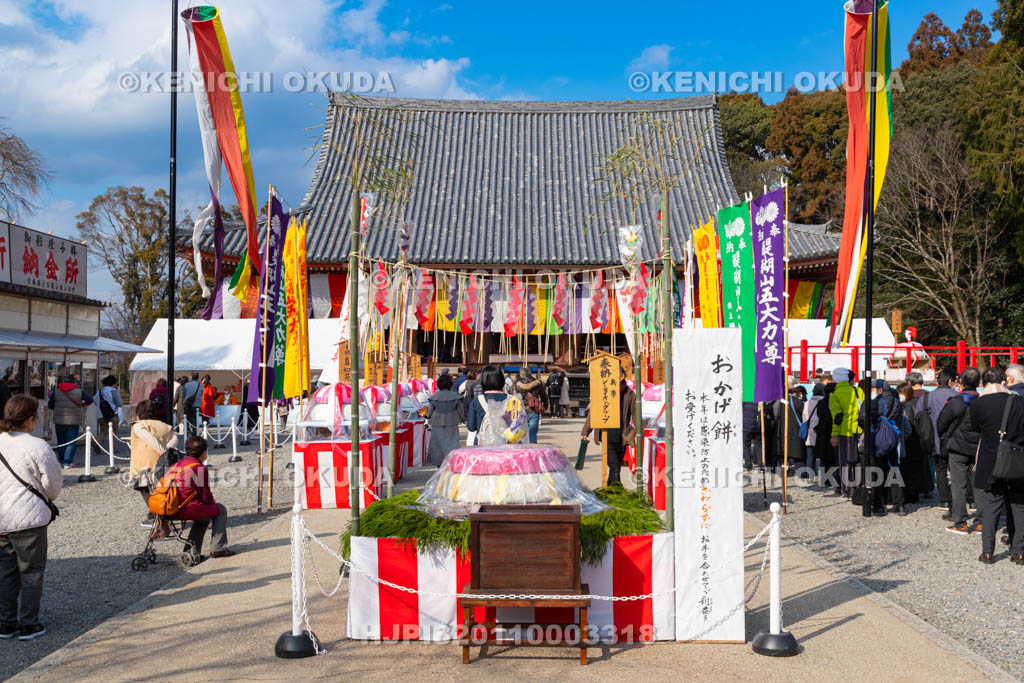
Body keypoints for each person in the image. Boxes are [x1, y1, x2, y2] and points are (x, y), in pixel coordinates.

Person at [0, 395, 61, 641]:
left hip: (1, 518)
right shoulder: (37, 446)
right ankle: (28, 623)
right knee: (31, 572)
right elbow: (53, 485)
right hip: (29, 518)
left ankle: (5, 623)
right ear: (32, 419)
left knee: (5, 572)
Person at [967, 367, 1024, 564]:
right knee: (1019, 506)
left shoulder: (978, 404)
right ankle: (1019, 552)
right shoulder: (1019, 402)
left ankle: (988, 552)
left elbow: (975, 428)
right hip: (1016, 459)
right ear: (1004, 381)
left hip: (990, 460)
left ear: (984, 383)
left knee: (992, 506)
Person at [165, 436, 235, 559]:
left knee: (203, 518)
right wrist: (212, 504)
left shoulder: (177, 464)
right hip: (186, 509)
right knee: (220, 509)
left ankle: (192, 552)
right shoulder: (199, 468)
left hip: (170, 507)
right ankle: (218, 548)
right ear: (203, 453)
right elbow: (206, 497)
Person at [938, 368, 982, 534]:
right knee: (979, 485)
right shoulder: (982, 401)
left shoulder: (955, 402)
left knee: (958, 485)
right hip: (978, 447)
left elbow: (941, 424)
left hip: (958, 447)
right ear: (979, 383)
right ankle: (981, 522)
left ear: (961, 382)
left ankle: (960, 522)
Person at [581, 367, 636, 487]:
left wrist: (639, 431)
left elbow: (635, 414)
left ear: (621, 377)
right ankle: (616, 486)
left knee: (616, 465)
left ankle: (612, 487)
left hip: (622, 435)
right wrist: (586, 431)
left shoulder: (630, 394)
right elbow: (593, 414)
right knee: (614, 464)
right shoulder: (603, 392)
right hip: (606, 434)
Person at [859, 379, 906, 515]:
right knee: (894, 468)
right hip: (892, 439)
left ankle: (878, 504)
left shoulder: (873, 402)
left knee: (875, 471)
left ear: (879, 389)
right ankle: (899, 504)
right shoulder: (897, 402)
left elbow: (862, 419)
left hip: (877, 439)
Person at [915, 368, 959, 512]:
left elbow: (918, 419)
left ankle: (945, 500)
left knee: (940, 471)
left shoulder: (926, 398)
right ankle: (963, 500)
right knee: (957, 472)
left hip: (934, 441)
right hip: (955, 442)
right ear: (950, 381)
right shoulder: (957, 397)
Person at [130, 399, 179, 528]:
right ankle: (158, 514)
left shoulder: (138, 424)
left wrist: (161, 450)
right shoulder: (164, 425)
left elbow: (147, 437)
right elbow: (175, 438)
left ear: (139, 413)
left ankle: (155, 516)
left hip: (145, 463)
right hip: (163, 463)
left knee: (144, 488)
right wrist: (168, 450)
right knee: (160, 488)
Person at [466, 367, 526, 446]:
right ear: (501, 380)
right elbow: (519, 426)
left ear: (483, 381)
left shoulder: (477, 401)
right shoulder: (512, 400)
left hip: (483, 446)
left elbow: (471, 427)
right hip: (507, 446)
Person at [829, 368, 863, 497]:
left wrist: (834, 435)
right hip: (860, 430)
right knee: (859, 461)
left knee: (845, 462)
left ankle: (848, 490)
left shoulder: (835, 394)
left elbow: (837, 418)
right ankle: (861, 488)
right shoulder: (858, 391)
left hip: (845, 431)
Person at [896, 382, 930, 504]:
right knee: (915, 468)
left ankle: (910, 493)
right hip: (917, 440)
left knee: (909, 468)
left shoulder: (908, 406)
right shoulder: (916, 403)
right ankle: (915, 492)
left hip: (911, 440)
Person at [48, 375, 92, 469]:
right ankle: (67, 462)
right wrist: (82, 405)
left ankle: (61, 461)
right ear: (73, 382)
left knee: (61, 441)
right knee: (71, 442)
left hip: (59, 420)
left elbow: (50, 405)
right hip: (73, 420)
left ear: (63, 381)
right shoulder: (79, 391)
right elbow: (90, 399)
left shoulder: (56, 392)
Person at [425, 373, 464, 466]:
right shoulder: (455, 396)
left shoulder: (434, 397)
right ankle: (451, 462)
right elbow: (461, 411)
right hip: (452, 422)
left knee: (437, 445)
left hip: (437, 423)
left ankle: (439, 463)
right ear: (450, 384)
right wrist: (462, 419)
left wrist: (428, 416)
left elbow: (429, 413)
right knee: (452, 444)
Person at [773, 381, 806, 470]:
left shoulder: (777, 402)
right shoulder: (798, 402)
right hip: (795, 432)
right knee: (797, 454)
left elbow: (774, 415)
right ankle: (802, 472)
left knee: (782, 455)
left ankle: (782, 471)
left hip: (781, 431)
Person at [516, 369, 548, 444]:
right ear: (531, 374)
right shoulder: (538, 383)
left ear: (521, 374)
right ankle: (532, 450)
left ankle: (522, 451)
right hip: (533, 410)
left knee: (520, 433)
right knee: (532, 433)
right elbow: (544, 396)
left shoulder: (516, 383)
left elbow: (512, 396)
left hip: (520, 411)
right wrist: (545, 406)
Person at [804, 383, 827, 469]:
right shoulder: (825, 402)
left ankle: (810, 473)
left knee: (810, 454)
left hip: (810, 432)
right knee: (821, 454)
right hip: (821, 431)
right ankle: (821, 472)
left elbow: (804, 417)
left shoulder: (807, 403)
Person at [97, 375, 123, 440]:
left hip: (101, 415)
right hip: (113, 415)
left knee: (103, 431)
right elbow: (120, 403)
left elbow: (94, 401)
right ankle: (112, 448)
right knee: (114, 432)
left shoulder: (99, 391)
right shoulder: (114, 391)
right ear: (114, 383)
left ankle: (97, 442)